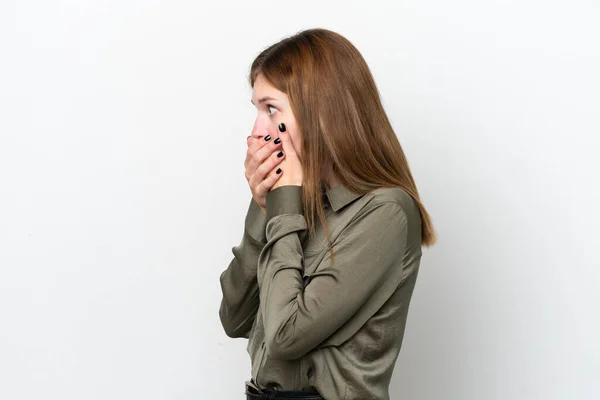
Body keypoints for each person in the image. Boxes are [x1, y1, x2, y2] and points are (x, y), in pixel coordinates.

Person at [218, 28, 436, 400]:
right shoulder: (294, 200)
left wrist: (281, 205)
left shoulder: (386, 212)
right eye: (256, 110)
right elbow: (234, 318)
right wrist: (264, 207)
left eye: (271, 109)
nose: (256, 132)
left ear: (320, 111)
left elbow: (286, 336)